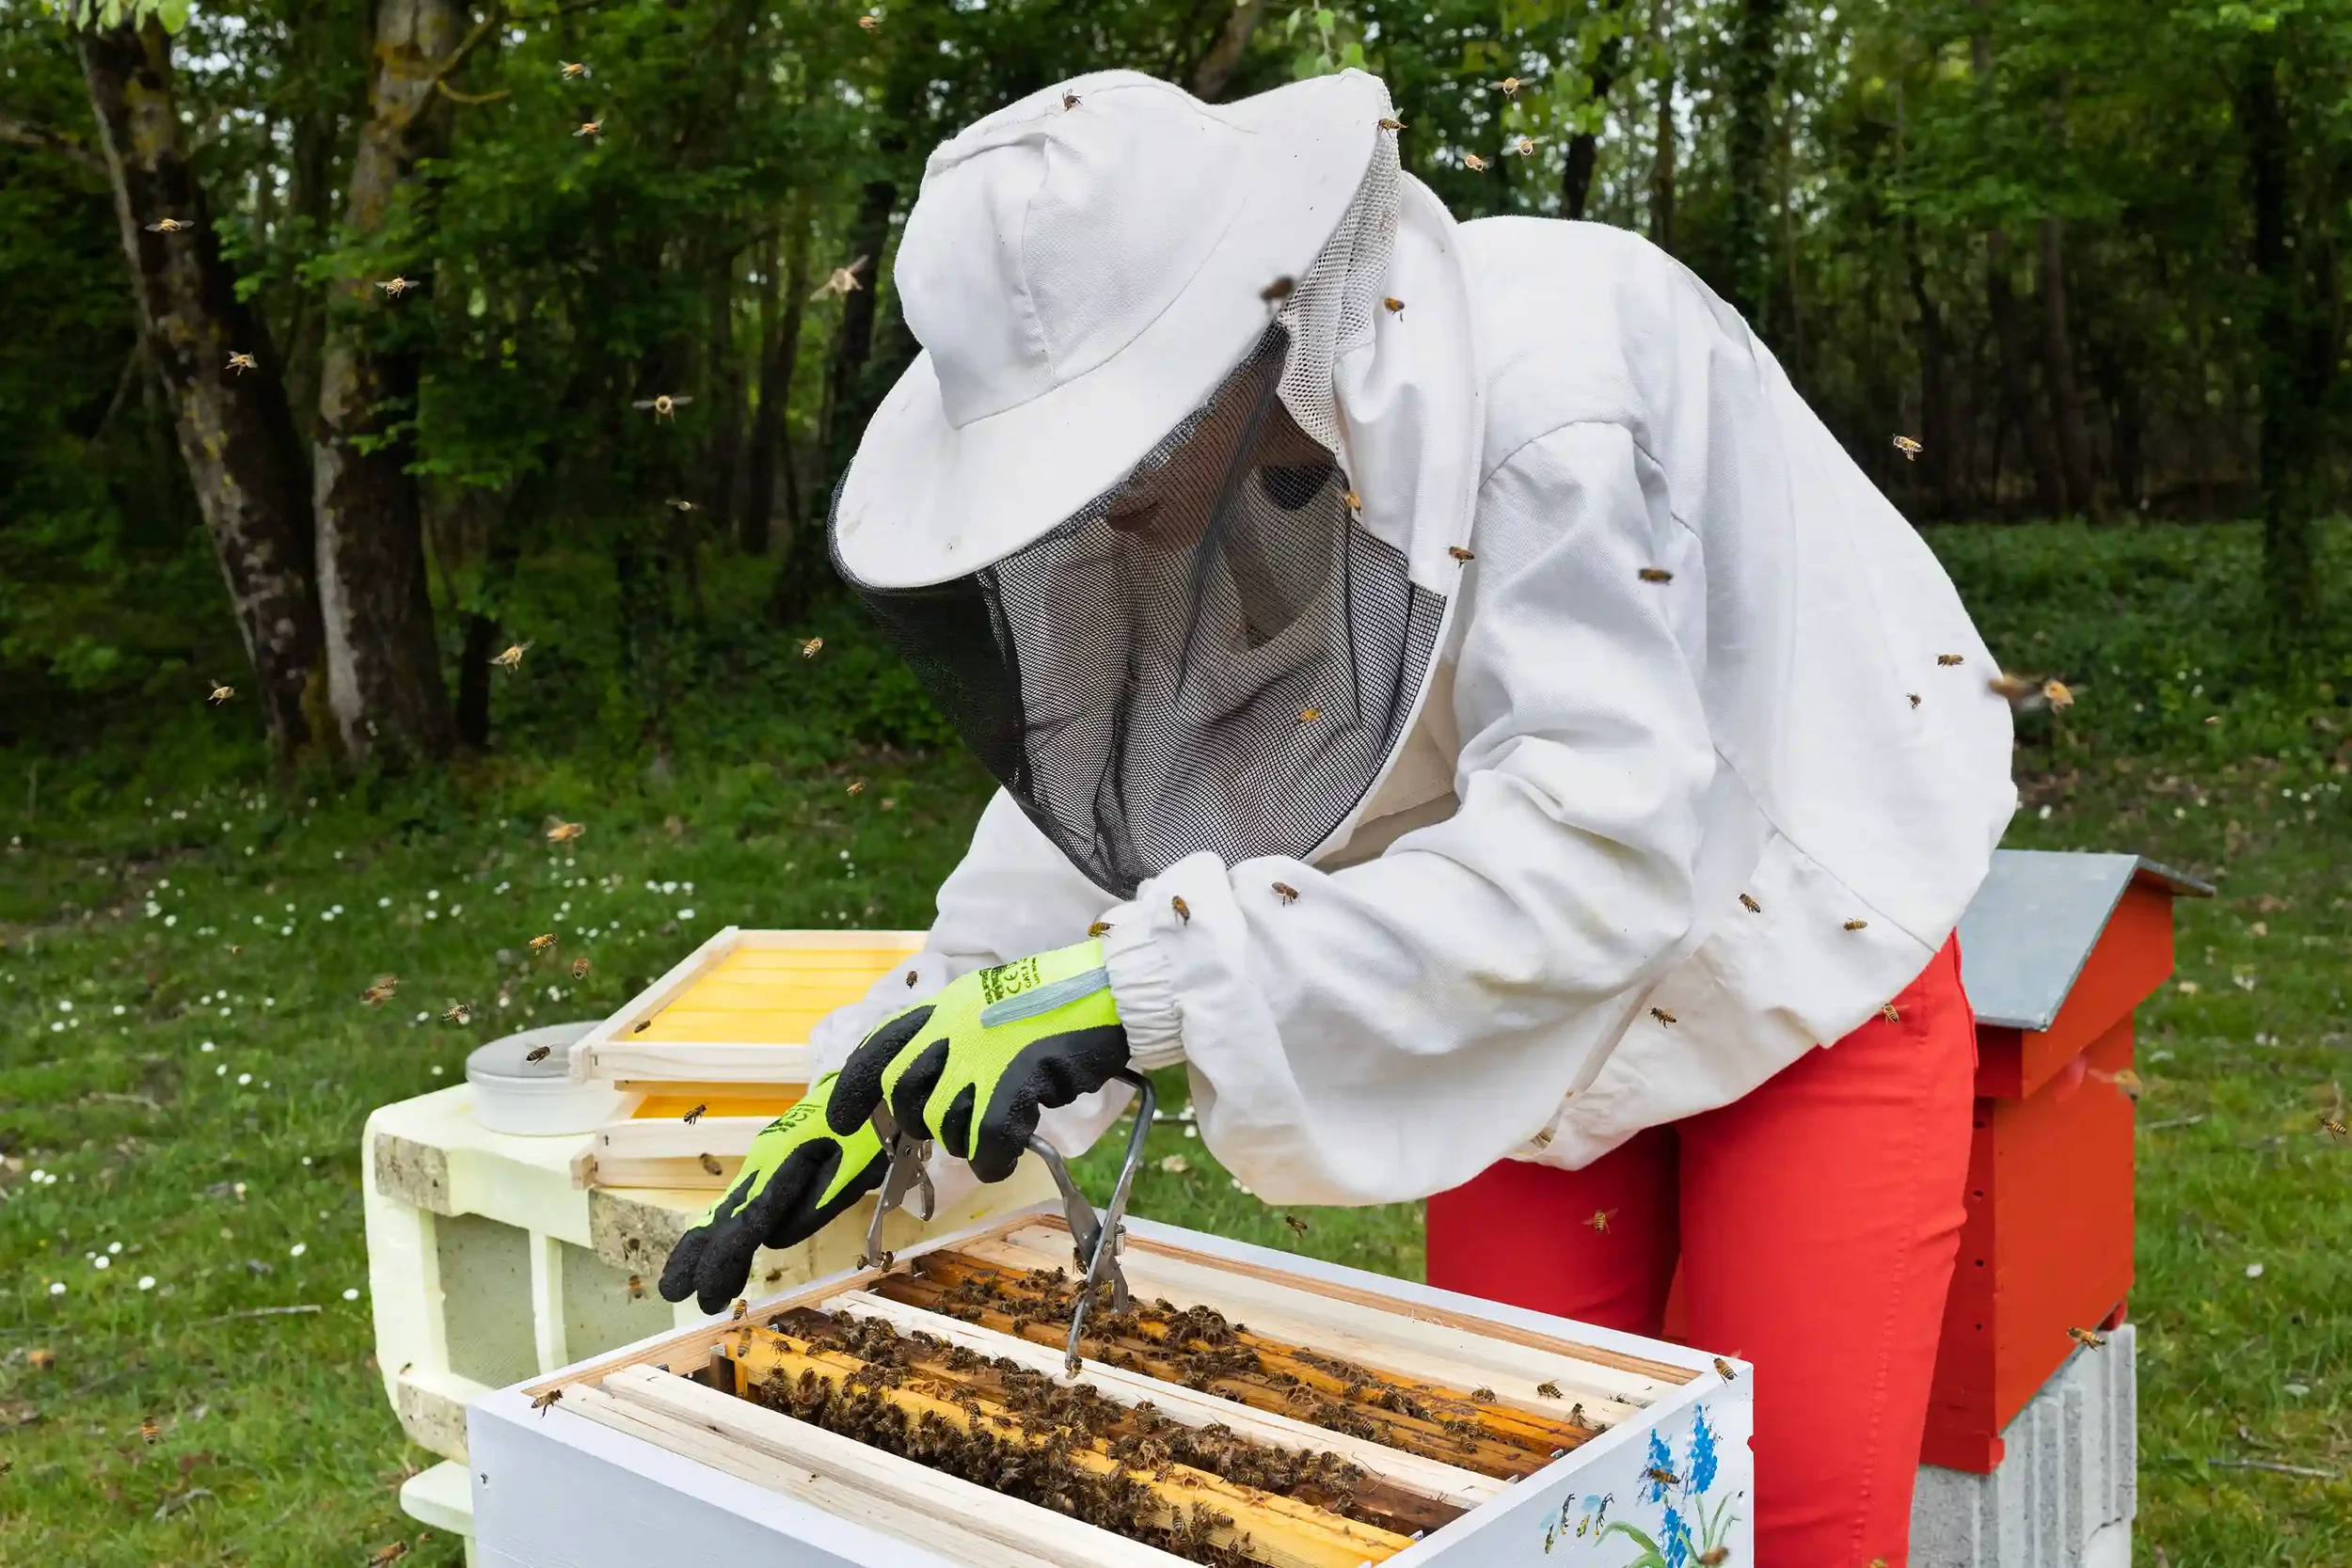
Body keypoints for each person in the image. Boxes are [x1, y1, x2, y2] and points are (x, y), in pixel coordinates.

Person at [660, 67, 2014, 1567]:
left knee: (1794, 1527)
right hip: (1494, 1015)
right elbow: (1085, 821)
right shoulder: (1181, 481)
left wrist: (1145, 989)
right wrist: (900, 1051)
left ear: (1255, 330)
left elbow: (1597, 849)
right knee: (1527, 1518)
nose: (1094, 503)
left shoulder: (1550, 394)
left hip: (1788, 956)